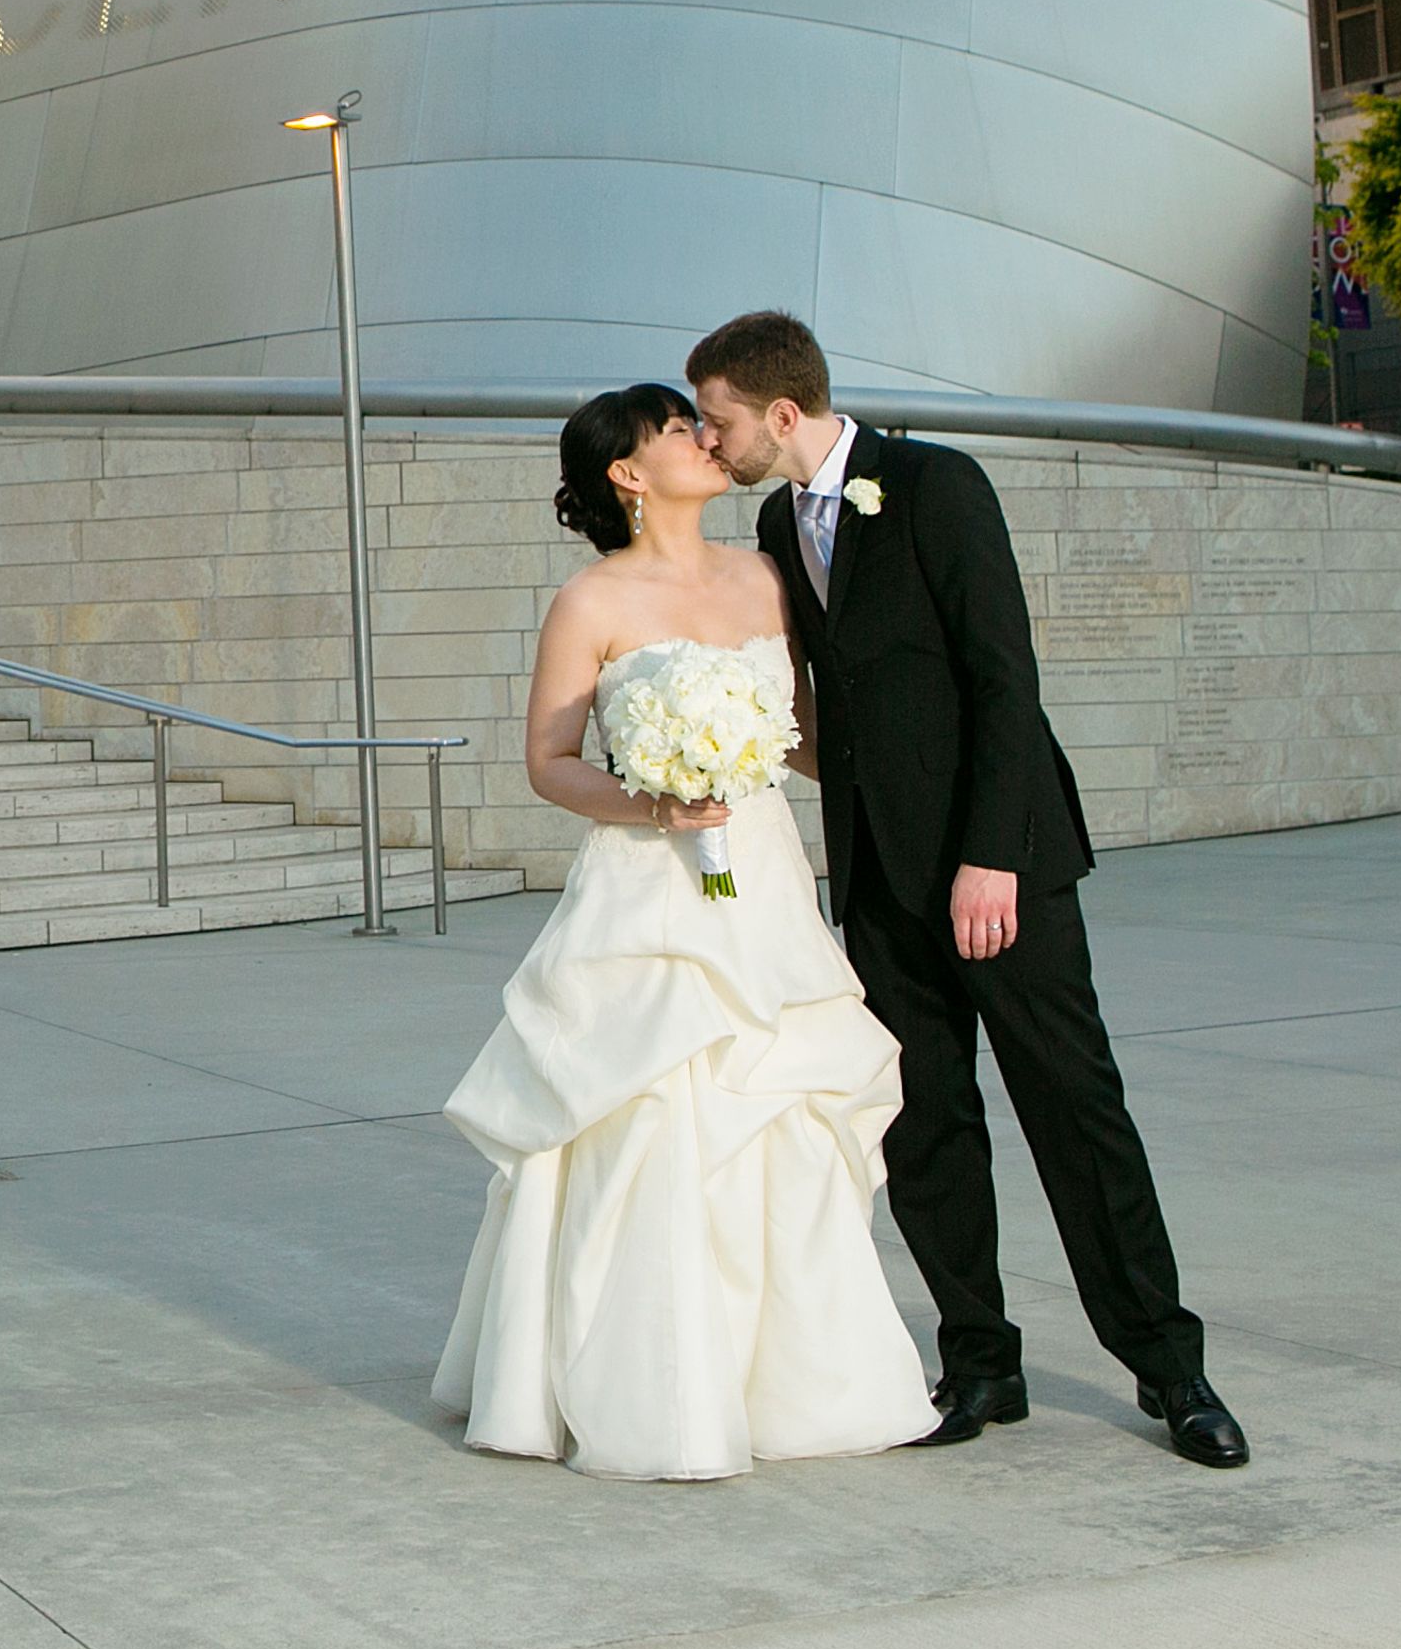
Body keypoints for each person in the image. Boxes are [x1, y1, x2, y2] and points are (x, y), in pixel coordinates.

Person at [684, 310, 1248, 1470]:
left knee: (1074, 1112)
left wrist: (992, 856)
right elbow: (840, 709)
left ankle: (1170, 1369)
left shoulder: (937, 486)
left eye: (717, 419)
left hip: (1002, 866)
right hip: (881, 883)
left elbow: (1003, 679)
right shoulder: (779, 523)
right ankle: (983, 1363)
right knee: (927, 1127)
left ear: (781, 413)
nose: (708, 438)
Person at [432, 383, 935, 1480]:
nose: (705, 439)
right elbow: (549, 763)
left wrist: (905, 762)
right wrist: (655, 801)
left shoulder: (765, 574)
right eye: (676, 429)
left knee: (780, 1107)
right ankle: (657, 1392)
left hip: (763, 881)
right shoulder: (591, 601)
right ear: (627, 472)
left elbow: (806, 736)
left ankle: (797, 1386)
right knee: (653, 1110)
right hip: (648, 890)